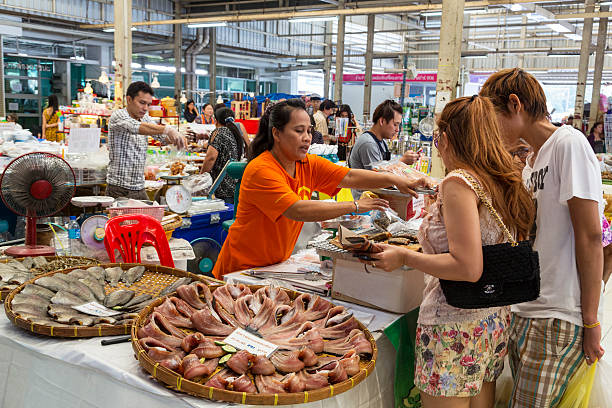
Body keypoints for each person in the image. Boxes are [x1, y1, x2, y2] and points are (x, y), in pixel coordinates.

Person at [364, 96, 535, 407]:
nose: (436, 141)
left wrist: (404, 256)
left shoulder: (459, 182)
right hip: (492, 317)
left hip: (454, 322)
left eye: (439, 133)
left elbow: (468, 267)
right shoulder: (502, 178)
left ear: (450, 137)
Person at [480, 68, 605, 407]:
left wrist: (591, 319)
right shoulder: (531, 161)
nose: (492, 130)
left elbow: (591, 236)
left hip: (557, 315)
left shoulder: (569, 144)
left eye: (493, 119)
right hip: (526, 309)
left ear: (515, 104)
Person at [212, 99, 432, 278]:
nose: (307, 138)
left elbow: (351, 175)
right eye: (299, 131)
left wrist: (397, 180)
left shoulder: (306, 163)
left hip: (273, 266)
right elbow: (297, 209)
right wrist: (354, 205)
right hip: (240, 270)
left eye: (309, 130)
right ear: (277, 134)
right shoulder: (261, 169)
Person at [107, 81, 187, 200]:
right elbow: (137, 127)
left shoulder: (144, 117)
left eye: (148, 104)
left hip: (139, 187)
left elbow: (162, 138)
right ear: (129, 99)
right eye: (142, 103)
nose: (145, 108)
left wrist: (178, 138)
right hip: (119, 189)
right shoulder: (118, 116)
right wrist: (168, 129)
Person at [348, 99, 420, 199]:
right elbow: (379, 178)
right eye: (395, 124)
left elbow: (385, 166)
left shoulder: (381, 141)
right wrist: (402, 162)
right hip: (366, 202)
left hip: (379, 198)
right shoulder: (368, 143)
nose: (397, 130)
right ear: (382, 121)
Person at [200, 107, 247, 204]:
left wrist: (201, 178)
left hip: (221, 186)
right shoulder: (235, 132)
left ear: (216, 121)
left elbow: (211, 158)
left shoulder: (219, 132)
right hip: (234, 185)